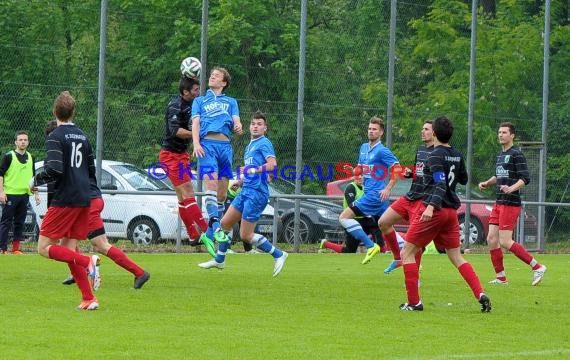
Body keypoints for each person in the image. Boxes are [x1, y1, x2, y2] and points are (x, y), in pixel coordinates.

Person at [42, 120, 150, 290]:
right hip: (92, 197)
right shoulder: (78, 144)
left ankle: (138, 272)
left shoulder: (61, 151)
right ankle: (79, 274)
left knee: (100, 244)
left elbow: (58, 178)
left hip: (86, 201)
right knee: (68, 239)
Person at [398, 116, 491, 312]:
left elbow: (440, 183)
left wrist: (431, 206)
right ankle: (480, 293)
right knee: (456, 257)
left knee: (406, 252)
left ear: (435, 133)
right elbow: (464, 179)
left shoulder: (433, 155)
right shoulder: (456, 154)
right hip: (451, 212)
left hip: (436, 209)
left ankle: (414, 303)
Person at [31, 91, 101, 310]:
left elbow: (54, 169)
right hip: (84, 197)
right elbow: (91, 171)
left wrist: (35, 181)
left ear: (55, 112)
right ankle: (89, 298)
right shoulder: (83, 136)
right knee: (68, 249)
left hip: (65, 199)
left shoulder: (55, 136)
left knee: (43, 247)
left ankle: (88, 261)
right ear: (73, 112)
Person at [198, 111, 288, 276]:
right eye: (253, 123)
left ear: (265, 128)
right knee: (224, 224)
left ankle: (279, 254)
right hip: (245, 191)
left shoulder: (264, 143)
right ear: (249, 126)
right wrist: (241, 181)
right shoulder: (249, 146)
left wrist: (258, 170)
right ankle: (220, 260)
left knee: (245, 236)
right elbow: (262, 172)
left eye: (259, 124)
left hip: (256, 194)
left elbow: (272, 165)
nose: (255, 126)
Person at [478, 122, 546, 286]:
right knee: (491, 239)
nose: (500, 135)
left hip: (510, 203)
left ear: (512, 135)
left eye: (504, 132)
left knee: (505, 241)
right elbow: (498, 176)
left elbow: (525, 178)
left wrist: (511, 189)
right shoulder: (501, 155)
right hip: (499, 201)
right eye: (499, 132)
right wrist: (487, 183)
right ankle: (501, 277)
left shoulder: (516, 154)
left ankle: (537, 266)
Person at [160, 76, 215, 257]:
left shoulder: (194, 104)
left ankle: (193, 236)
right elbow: (176, 131)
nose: (197, 92)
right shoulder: (175, 106)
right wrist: (195, 133)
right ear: (185, 92)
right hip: (170, 157)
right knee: (188, 193)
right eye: (195, 90)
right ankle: (208, 231)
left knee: (183, 198)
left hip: (182, 156)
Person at [191, 67, 243, 245]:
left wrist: (238, 126)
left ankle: (210, 234)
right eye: (211, 75)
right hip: (207, 146)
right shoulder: (200, 100)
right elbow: (196, 123)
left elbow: (236, 121)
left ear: (224, 83)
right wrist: (196, 143)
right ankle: (215, 225)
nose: (212, 77)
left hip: (225, 148)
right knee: (211, 185)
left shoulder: (231, 101)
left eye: (217, 76)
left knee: (221, 194)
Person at [338, 116, 399, 264]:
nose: (371, 131)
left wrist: (388, 188)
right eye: (369, 129)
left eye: (374, 129)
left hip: (375, 196)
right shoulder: (364, 148)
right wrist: (353, 171)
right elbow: (362, 170)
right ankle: (410, 257)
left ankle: (371, 246)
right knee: (387, 227)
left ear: (381, 132)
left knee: (344, 217)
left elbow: (398, 169)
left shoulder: (382, 151)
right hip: (374, 196)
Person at [379, 120, 434, 273]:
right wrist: (410, 173)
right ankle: (397, 258)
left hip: (423, 200)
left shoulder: (439, 153)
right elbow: (420, 171)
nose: (422, 131)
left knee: (413, 241)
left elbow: (438, 180)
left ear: (434, 132)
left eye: (426, 129)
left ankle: (414, 278)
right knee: (383, 222)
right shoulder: (421, 149)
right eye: (422, 128)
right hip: (410, 196)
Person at [320, 173, 386, 253]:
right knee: (350, 251)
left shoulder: (367, 188)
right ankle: (326, 244)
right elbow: (352, 206)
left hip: (367, 219)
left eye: (362, 175)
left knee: (377, 230)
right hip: (353, 221)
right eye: (358, 175)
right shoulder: (351, 188)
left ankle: (383, 253)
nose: (360, 177)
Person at [0, 131, 41, 254]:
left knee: (20, 222)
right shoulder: (8, 156)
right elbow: (0, 175)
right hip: (10, 194)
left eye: (25, 140)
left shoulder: (31, 157)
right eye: (20, 139)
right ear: (16, 142)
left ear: (28, 142)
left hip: (24, 195)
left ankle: (16, 249)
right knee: (6, 222)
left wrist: (37, 194)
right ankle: (2, 248)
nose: (23, 142)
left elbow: (33, 178)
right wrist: (1, 192)